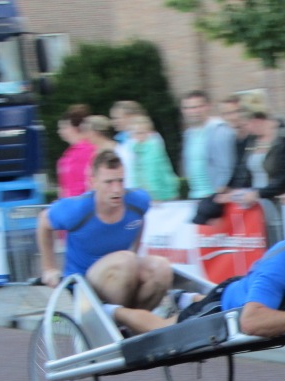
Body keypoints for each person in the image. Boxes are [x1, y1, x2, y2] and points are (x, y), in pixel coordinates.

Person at [108, 192, 285, 337]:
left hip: (253, 294)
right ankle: (116, 312)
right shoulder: (283, 261)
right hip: (227, 307)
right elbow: (250, 322)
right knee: (164, 330)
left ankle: (186, 298)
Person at [37, 150, 172, 310]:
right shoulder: (76, 209)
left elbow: (139, 219)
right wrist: (49, 268)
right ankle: (119, 321)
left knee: (161, 268)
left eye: (120, 181)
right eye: (109, 182)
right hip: (84, 282)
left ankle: (135, 322)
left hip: (122, 274)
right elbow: (43, 221)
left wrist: (136, 250)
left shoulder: (138, 201)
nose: (116, 189)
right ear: (93, 182)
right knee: (126, 260)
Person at [220, 105, 285, 207]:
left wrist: (259, 193)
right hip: (254, 200)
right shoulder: (251, 142)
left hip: (278, 198)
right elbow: (243, 168)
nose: (246, 128)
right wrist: (232, 188)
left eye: (247, 123)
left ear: (257, 121)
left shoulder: (283, 139)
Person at [180, 90, 236, 200]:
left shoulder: (220, 131)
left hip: (214, 197)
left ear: (207, 106)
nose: (193, 111)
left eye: (197, 107)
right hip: (195, 195)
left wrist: (217, 193)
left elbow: (226, 166)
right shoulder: (188, 134)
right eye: (188, 108)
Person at [128, 114, 179, 201]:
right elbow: (136, 175)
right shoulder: (134, 150)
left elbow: (155, 174)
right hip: (144, 195)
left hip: (162, 196)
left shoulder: (154, 149)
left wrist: (154, 196)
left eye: (142, 132)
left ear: (148, 132)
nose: (138, 136)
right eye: (135, 133)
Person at [56, 104, 94, 198]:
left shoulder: (89, 150)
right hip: (70, 204)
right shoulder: (69, 154)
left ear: (75, 128)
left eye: (64, 127)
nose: (59, 131)